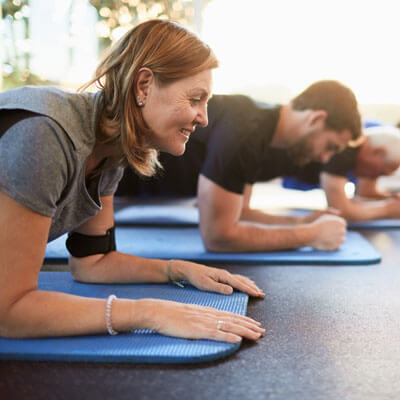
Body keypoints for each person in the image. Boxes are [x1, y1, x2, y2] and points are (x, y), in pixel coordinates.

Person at [0, 20, 265, 342]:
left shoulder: (109, 147)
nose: (204, 118)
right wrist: (148, 313)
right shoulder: (45, 135)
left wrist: (177, 270)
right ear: (143, 86)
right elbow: (9, 312)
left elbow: (92, 261)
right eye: (195, 99)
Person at [116, 81, 363, 252]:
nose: (324, 158)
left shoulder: (264, 130)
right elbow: (219, 236)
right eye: (330, 145)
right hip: (103, 185)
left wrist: (304, 222)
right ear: (316, 119)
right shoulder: (247, 128)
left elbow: (239, 213)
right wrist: (311, 236)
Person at [291, 125, 400, 221]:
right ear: (378, 152)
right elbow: (340, 211)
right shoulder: (345, 148)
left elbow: (365, 193)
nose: (375, 177)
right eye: (381, 172)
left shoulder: (364, 149)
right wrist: (388, 209)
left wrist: (392, 200)